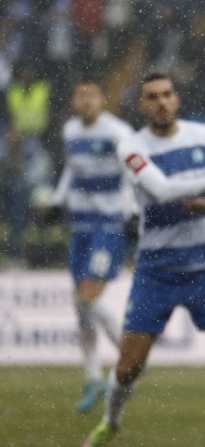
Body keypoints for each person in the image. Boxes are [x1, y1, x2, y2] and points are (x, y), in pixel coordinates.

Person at [83, 73, 205, 446]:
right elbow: (162, 189)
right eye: (152, 97)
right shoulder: (131, 147)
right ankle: (111, 422)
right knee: (128, 367)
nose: (162, 102)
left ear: (178, 99)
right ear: (141, 106)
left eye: (167, 95)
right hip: (157, 272)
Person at [47, 77, 135, 413]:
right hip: (81, 226)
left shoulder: (118, 132)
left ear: (102, 100)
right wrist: (57, 201)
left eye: (91, 95)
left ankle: (131, 355)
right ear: (74, 101)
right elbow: (71, 170)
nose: (85, 101)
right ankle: (93, 378)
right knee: (80, 306)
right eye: (79, 95)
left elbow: (130, 174)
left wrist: (129, 212)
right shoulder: (71, 131)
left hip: (108, 226)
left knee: (86, 297)